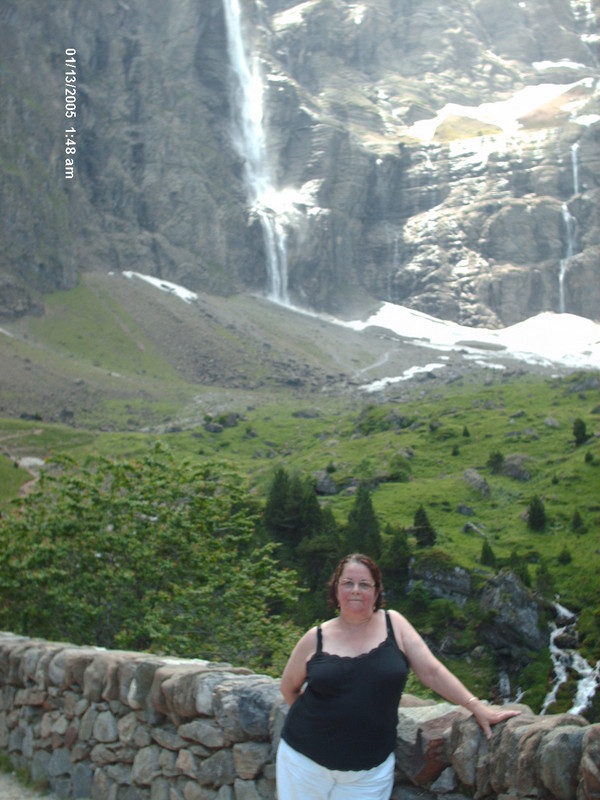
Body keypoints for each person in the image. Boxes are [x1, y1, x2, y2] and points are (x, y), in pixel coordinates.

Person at [276, 553, 521, 800]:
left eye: (364, 584)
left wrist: (474, 705)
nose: (355, 590)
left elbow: (432, 672)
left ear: (377, 590)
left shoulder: (395, 625)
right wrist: (323, 724)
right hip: (303, 763)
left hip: (368, 774)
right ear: (336, 589)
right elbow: (289, 688)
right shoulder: (314, 638)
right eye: (347, 583)